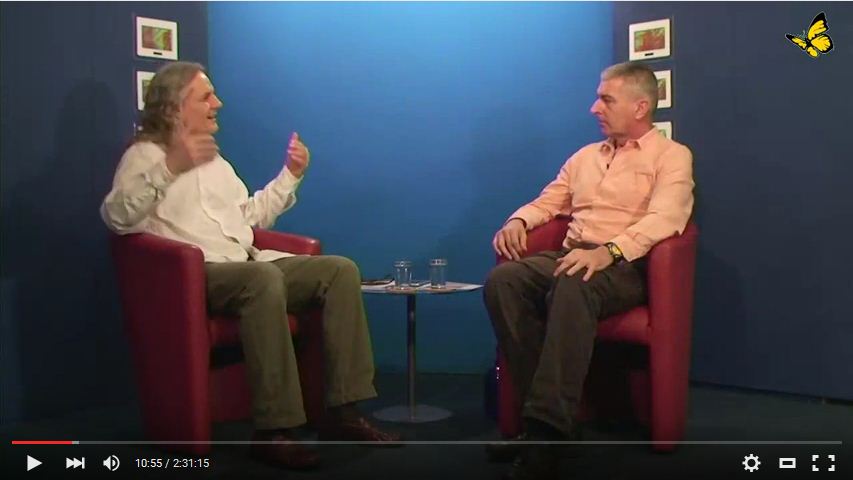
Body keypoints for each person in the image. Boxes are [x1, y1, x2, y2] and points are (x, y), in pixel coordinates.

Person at [101, 62, 399, 470]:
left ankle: (343, 412)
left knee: (339, 271)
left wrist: (290, 175)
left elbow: (248, 218)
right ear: (176, 107)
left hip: (245, 265)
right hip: (193, 276)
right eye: (206, 97)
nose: (217, 103)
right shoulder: (143, 156)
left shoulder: (215, 161)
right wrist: (170, 167)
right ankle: (275, 430)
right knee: (262, 278)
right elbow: (117, 218)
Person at [484, 61, 694, 479]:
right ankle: (554, 423)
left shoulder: (672, 157)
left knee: (574, 280)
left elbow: (666, 219)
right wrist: (519, 220)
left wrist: (609, 252)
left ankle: (545, 433)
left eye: (605, 100)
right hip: (571, 253)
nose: (594, 108)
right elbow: (549, 202)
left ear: (640, 107)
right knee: (503, 281)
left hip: (626, 264)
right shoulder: (583, 158)